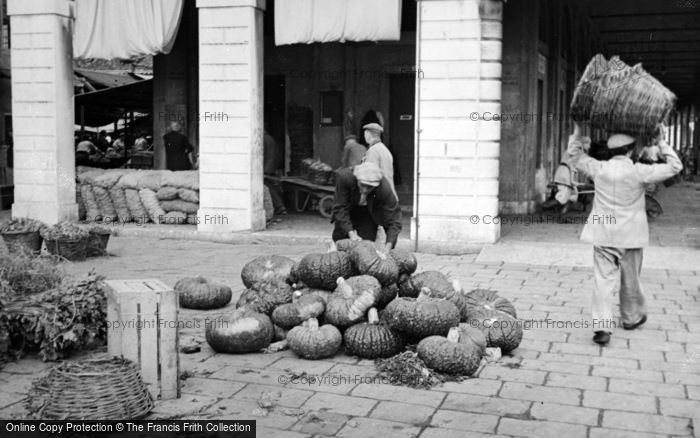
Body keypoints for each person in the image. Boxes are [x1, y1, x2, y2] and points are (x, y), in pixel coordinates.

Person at [566, 123, 682, 346]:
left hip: (603, 233)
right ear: (631, 150)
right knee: (631, 279)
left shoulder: (598, 168)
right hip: (632, 234)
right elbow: (675, 166)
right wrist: (660, 142)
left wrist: (578, 131)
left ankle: (602, 327)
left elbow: (574, 155)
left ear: (611, 151)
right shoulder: (639, 171)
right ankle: (631, 317)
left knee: (603, 281)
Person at [331, 162, 402, 250]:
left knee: (366, 247)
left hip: (368, 213)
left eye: (369, 187)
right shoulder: (345, 178)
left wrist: (388, 247)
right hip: (347, 210)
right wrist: (351, 234)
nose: (365, 190)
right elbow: (340, 207)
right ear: (357, 179)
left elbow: (394, 220)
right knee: (341, 242)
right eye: (362, 185)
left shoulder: (384, 189)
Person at [362, 123, 397, 200]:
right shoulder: (384, 149)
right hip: (389, 194)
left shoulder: (373, 151)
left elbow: (371, 176)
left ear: (368, 134)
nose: (364, 136)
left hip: (379, 196)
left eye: (365, 133)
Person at [263, 129, 286, 215]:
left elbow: (270, 156)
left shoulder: (266, 139)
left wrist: (266, 171)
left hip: (267, 168)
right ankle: (279, 206)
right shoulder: (268, 139)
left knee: (268, 186)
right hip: (268, 167)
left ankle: (279, 206)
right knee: (269, 186)